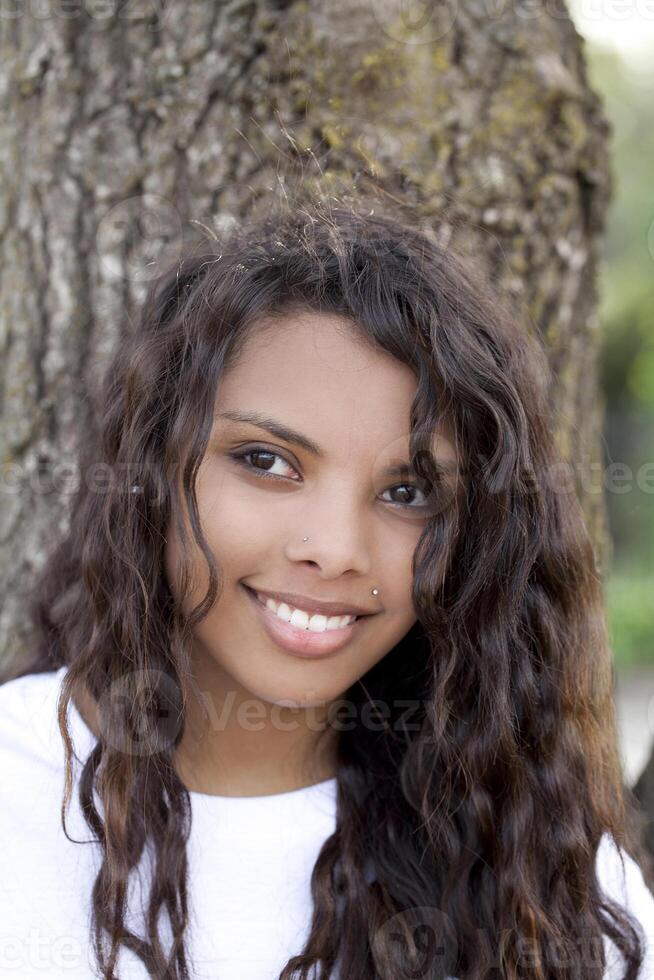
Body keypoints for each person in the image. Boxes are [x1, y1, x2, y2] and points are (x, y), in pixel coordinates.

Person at [1, 193, 653, 980]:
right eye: (267, 461)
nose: (337, 551)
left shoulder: (538, 863)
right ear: (150, 470)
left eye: (408, 492)